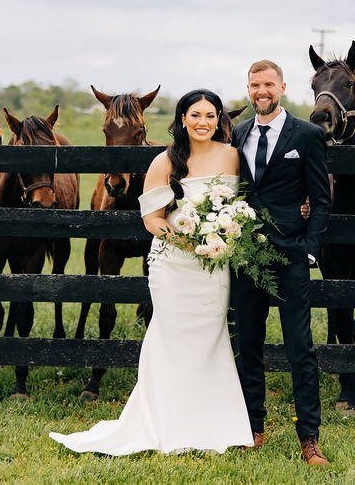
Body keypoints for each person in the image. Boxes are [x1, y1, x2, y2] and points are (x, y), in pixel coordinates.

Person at [49, 89, 253, 455]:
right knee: (171, 338)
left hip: (214, 265)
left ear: (219, 120)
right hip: (175, 265)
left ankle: (213, 422)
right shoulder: (165, 161)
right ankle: (163, 420)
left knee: (211, 339)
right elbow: (152, 219)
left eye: (210, 115)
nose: (203, 123)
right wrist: (188, 240)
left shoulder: (234, 158)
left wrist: (224, 233)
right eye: (195, 116)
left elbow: (247, 202)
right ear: (182, 120)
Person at [229, 59, 332, 467]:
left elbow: (321, 199)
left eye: (268, 84)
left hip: (290, 254)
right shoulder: (238, 134)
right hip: (246, 257)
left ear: (282, 87)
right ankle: (253, 426)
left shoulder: (306, 136)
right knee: (247, 345)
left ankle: (309, 438)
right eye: (255, 85)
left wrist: (309, 248)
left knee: (299, 348)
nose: (261, 91)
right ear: (249, 89)